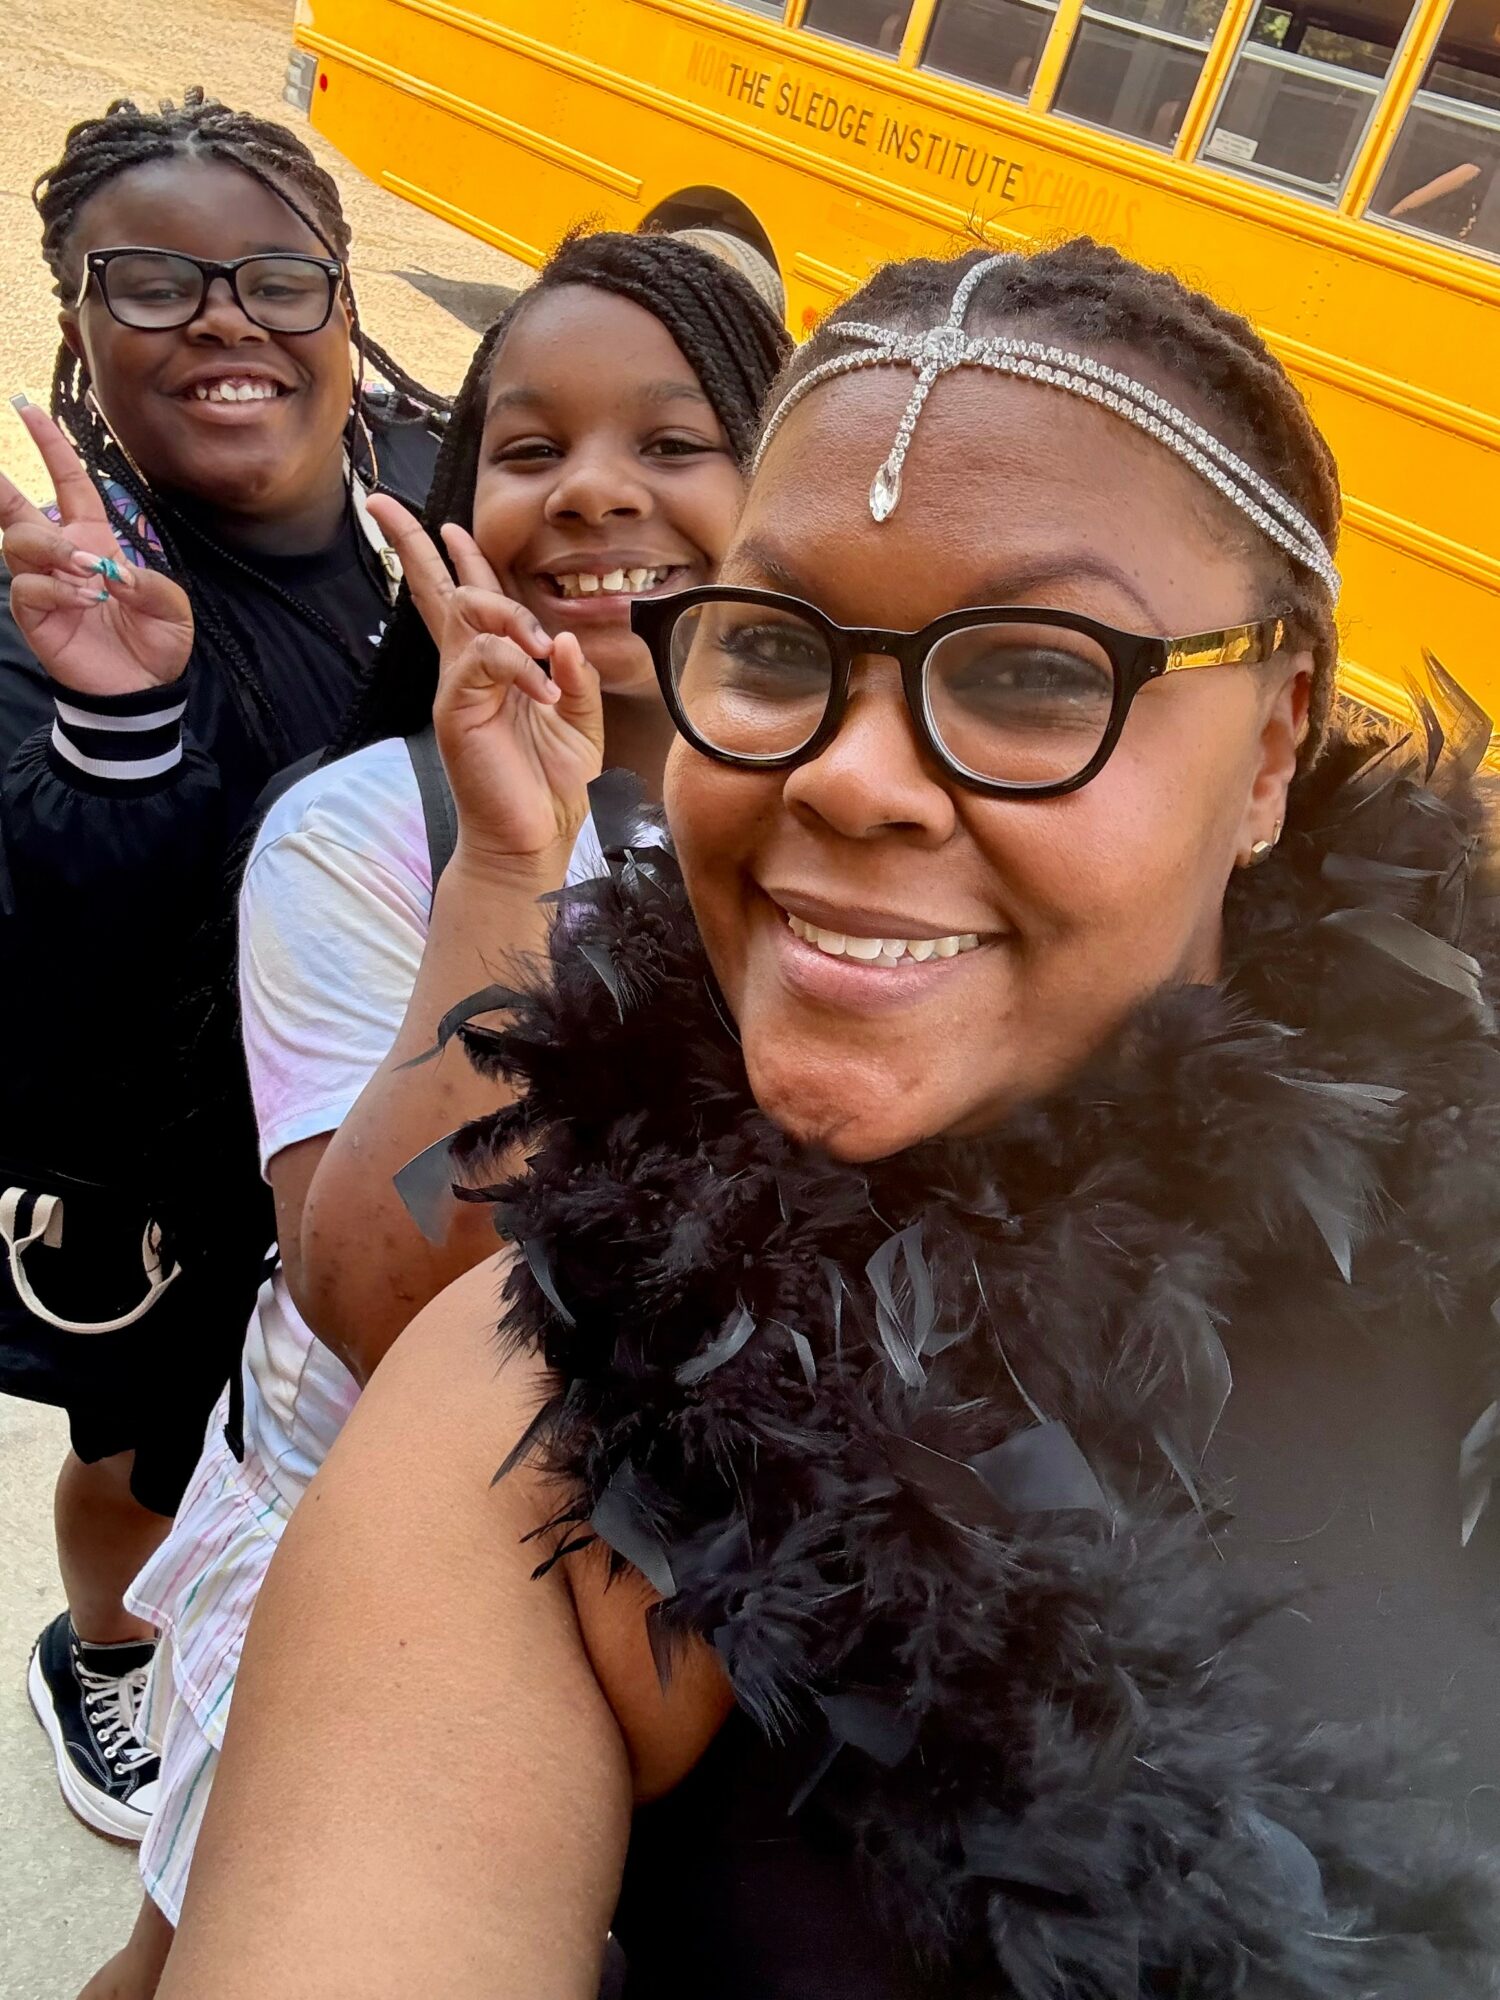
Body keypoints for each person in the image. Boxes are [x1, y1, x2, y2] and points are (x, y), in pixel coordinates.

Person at [152, 238, 1500, 1998]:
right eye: (778, 648)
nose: (851, 777)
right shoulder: (553, 1402)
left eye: (1033, 674)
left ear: (1271, 748)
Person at [75, 231, 790, 2000]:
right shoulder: (363, 834)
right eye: (533, 448)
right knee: (195, 1950)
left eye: (675, 442)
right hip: (371, 1544)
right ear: (462, 501)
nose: (595, 492)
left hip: (682, 1570)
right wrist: (512, 870)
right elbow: (382, 1300)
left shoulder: (836, 823)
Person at [0, 88, 446, 1847]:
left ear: (341, 300)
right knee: (144, 1450)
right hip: (167, 1160)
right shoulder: (57, 597)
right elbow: (55, 947)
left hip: (390, 1103)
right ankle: (104, 1654)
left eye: (274, 276)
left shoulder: (434, 495)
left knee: (340, 1428)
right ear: (79, 320)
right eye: (153, 283)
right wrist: (119, 726)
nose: (224, 321)